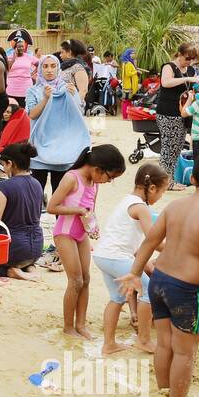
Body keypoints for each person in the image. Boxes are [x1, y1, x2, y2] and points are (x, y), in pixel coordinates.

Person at [119, 152, 199, 397]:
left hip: (159, 281)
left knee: (164, 344)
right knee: (185, 352)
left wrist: (134, 272)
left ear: (194, 177)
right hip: (186, 290)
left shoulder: (174, 206)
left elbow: (150, 241)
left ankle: (164, 391)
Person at [48, 145, 126, 340]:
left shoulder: (94, 183)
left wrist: (93, 226)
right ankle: (68, 327)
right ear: (98, 168)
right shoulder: (71, 178)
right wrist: (78, 211)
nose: (110, 181)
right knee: (75, 281)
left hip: (81, 234)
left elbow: (91, 209)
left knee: (86, 279)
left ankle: (80, 324)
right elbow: (51, 207)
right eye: (110, 177)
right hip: (65, 233)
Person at [94, 162, 167, 355]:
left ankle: (108, 344)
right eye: (162, 192)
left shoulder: (126, 200)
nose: (161, 197)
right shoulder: (140, 207)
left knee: (116, 298)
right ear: (152, 188)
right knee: (148, 292)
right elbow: (153, 240)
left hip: (103, 255)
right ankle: (143, 340)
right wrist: (175, 249)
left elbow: (133, 241)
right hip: (116, 256)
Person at [27, 53, 90, 196]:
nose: (49, 70)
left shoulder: (68, 88)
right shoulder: (33, 90)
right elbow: (32, 114)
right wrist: (45, 98)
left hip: (63, 149)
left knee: (60, 195)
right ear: (40, 69)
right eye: (45, 66)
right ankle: (34, 219)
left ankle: (59, 219)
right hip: (39, 148)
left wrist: (75, 97)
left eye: (53, 66)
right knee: (35, 194)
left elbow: (77, 116)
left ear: (58, 68)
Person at [0, 142, 44, 281]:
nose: (4, 168)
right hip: (36, 247)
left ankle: (11, 271)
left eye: (4, 164)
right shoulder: (37, 184)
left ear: (11, 164)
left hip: (13, 248)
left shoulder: (5, 186)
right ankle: (29, 267)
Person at [156, 43, 199, 182]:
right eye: (187, 58)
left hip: (184, 113)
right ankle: (164, 181)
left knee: (177, 148)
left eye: (192, 59)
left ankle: (170, 179)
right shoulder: (169, 67)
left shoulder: (191, 70)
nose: (189, 62)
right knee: (168, 148)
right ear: (179, 54)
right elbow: (166, 83)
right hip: (168, 113)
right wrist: (186, 78)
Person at [6, 36, 37, 109]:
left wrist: (33, 73)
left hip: (26, 88)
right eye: (19, 47)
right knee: (12, 110)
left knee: (24, 110)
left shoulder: (29, 57)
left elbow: (39, 64)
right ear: (15, 48)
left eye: (22, 46)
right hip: (11, 88)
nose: (21, 48)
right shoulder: (9, 57)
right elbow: (7, 68)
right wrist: (14, 56)